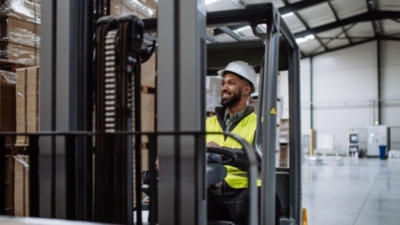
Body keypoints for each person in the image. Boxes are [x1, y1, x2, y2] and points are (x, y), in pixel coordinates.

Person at [206, 61, 281, 224]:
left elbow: (262, 160)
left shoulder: (260, 123)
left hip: (242, 193)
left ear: (246, 89)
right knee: (176, 196)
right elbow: (188, 148)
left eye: (231, 83)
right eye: (223, 83)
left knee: (266, 198)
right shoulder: (207, 123)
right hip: (210, 192)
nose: (224, 87)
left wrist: (224, 152)